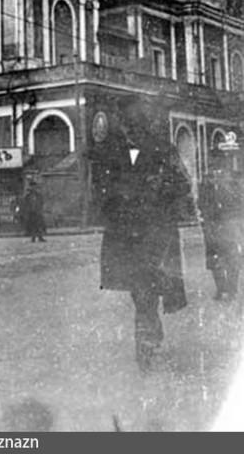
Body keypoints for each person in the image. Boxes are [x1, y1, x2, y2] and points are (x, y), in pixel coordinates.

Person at [96, 94, 192, 372]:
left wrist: (160, 188)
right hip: (125, 234)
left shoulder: (163, 150)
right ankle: (149, 334)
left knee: (147, 288)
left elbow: (183, 184)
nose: (129, 127)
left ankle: (146, 342)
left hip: (155, 232)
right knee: (139, 290)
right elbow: (101, 189)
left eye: (134, 120)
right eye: (125, 121)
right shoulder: (112, 152)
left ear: (143, 121)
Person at [198, 160, 243, 301]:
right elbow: (201, 202)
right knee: (213, 258)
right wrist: (205, 216)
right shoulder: (205, 184)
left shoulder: (233, 182)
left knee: (231, 258)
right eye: (213, 170)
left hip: (228, 224)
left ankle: (232, 290)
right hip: (211, 224)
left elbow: (239, 202)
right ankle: (220, 288)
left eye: (219, 169)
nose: (215, 173)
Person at [23, 175, 46, 242]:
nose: (33, 188)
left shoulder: (38, 195)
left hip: (38, 212)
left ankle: (40, 237)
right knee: (33, 226)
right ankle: (33, 237)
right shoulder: (28, 196)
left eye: (34, 187)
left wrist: (40, 211)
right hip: (31, 213)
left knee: (39, 225)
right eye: (32, 186)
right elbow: (26, 204)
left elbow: (41, 203)